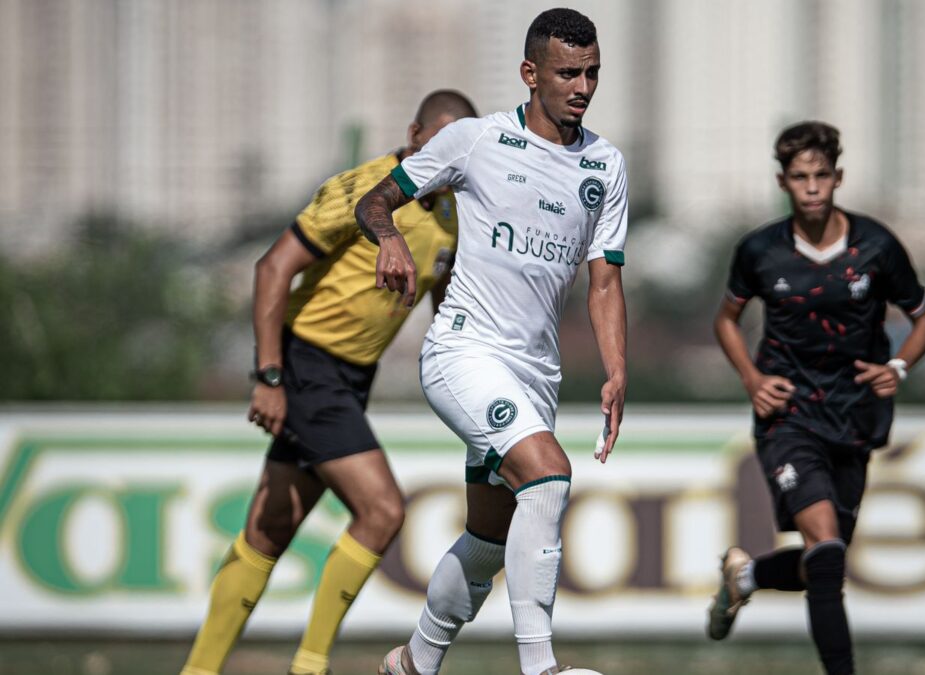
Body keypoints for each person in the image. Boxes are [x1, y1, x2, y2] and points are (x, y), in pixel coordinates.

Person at [356, 9, 627, 675]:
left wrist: (617, 370)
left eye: (592, 73)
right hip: (463, 353)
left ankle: (413, 663)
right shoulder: (475, 140)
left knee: (488, 539)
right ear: (530, 73)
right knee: (548, 473)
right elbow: (373, 202)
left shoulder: (606, 164)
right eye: (568, 73)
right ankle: (540, 666)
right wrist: (390, 239)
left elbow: (604, 282)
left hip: (534, 374)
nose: (583, 87)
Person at [179, 90, 477, 675]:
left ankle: (198, 671)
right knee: (382, 511)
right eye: (438, 140)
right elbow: (272, 268)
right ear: (414, 134)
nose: (448, 154)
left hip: (352, 378)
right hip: (306, 366)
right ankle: (310, 666)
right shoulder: (362, 190)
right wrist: (269, 375)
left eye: (460, 145)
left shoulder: (450, 214)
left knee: (269, 530)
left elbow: (447, 306)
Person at [708, 121, 925, 675]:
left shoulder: (876, 246)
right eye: (799, 177)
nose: (811, 187)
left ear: (838, 177)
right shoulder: (760, 250)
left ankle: (745, 577)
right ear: (782, 182)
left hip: (855, 416)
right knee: (827, 553)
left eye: (820, 176)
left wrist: (898, 366)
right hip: (788, 416)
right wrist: (752, 379)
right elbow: (726, 321)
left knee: (825, 562)